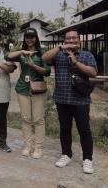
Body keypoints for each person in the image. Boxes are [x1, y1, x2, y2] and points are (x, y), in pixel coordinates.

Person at [42, 29, 97, 174]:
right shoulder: (59, 54)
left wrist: (76, 62)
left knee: (84, 130)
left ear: (78, 40)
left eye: (74, 38)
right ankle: (66, 154)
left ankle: (87, 159)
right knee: (65, 129)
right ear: (65, 41)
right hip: (62, 99)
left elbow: (93, 73)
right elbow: (44, 58)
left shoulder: (87, 54)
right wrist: (60, 48)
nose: (72, 40)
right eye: (68, 39)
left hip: (81, 100)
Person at [6, 28, 51, 158]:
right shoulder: (22, 54)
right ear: (24, 38)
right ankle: (27, 146)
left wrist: (33, 66)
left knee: (38, 119)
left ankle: (38, 148)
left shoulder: (42, 53)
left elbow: (47, 71)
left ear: (36, 38)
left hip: (38, 89)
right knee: (26, 119)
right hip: (22, 89)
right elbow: (7, 56)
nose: (29, 39)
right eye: (27, 37)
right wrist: (21, 51)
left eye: (32, 37)